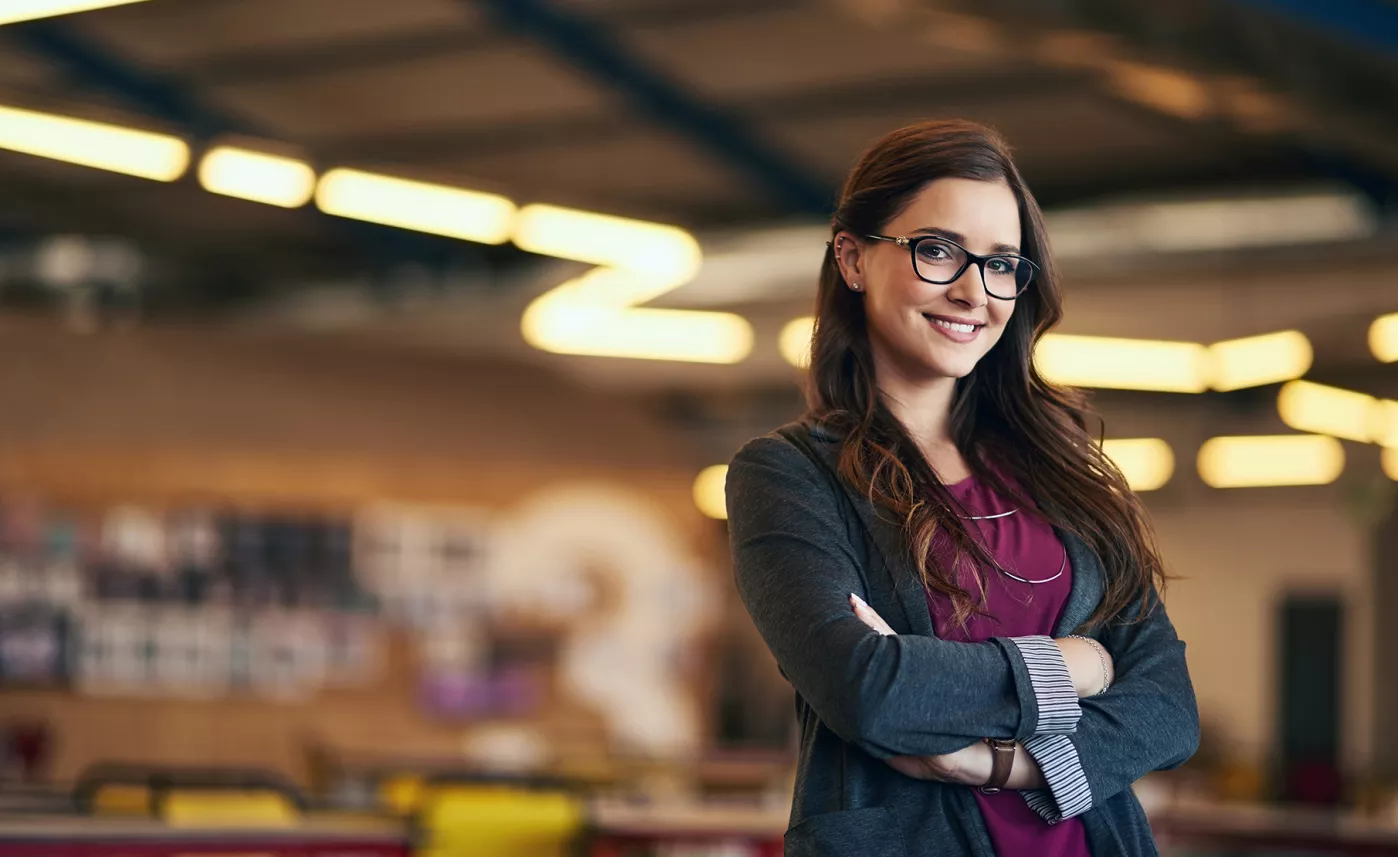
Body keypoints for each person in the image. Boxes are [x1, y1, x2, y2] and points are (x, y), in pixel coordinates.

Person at [725, 119, 1198, 857]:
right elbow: (870, 690)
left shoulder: (1065, 473)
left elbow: (1168, 706)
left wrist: (996, 762)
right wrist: (1079, 663)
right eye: (938, 250)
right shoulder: (789, 475)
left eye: (1002, 264)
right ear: (852, 257)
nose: (975, 292)